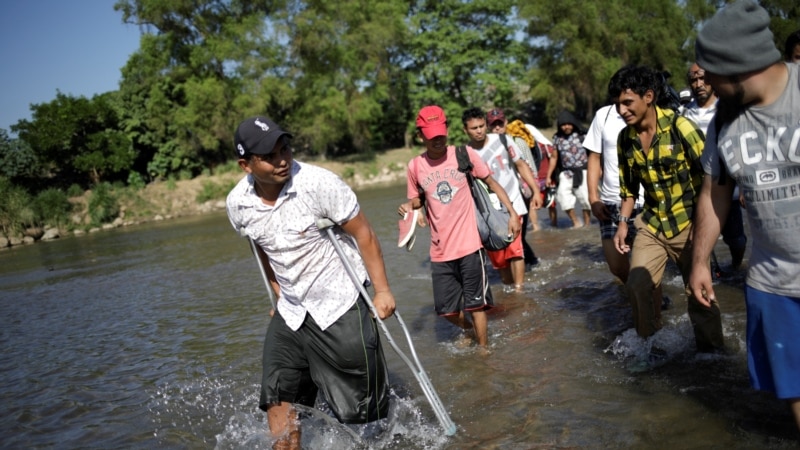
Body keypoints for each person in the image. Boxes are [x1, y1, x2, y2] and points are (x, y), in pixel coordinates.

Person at [226, 116, 397, 448]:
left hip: (339, 300)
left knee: (364, 411)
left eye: (285, 148)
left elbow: (364, 234)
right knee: (276, 397)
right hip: (292, 310)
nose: (283, 159)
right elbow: (262, 246)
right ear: (246, 165)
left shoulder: (318, 184)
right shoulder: (238, 204)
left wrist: (383, 290)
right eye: (270, 155)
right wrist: (278, 295)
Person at [689, 0, 800, 429]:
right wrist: (699, 261)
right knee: (794, 391)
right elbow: (714, 194)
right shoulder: (724, 122)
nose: (706, 82)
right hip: (772, 284)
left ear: (738, 64)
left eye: (711, 72)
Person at [609, 65, 724, 354]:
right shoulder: (626, 140)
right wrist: (623, 224)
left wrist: (706, 224)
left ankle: (712, 355)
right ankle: (649, 347)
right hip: (652, 225)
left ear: (648, 97)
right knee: (637, 284)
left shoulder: (679, 126)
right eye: (617, 104)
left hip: (690, 223)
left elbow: (713, 174)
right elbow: (629, 189)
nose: (621, 110)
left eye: (627, 102)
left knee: (698, 293)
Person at [398, 105, 519, 348]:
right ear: (421, 135)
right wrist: (410, 209)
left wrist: (513, 213)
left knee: (477, 305)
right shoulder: (415, 166)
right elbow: (416, 199)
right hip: (440, 250)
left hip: (470, 245)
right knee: (446, 310)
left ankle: (484, 352)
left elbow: (492, 182)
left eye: (441, 134)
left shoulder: (463, 155)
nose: (438, 140)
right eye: (432, 137)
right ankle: (471, 330)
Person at [462, 107, 540, 292]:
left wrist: (536, 191)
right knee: (499, 258)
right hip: (488, 211)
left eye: (482, 126)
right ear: (465, 130)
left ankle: (519, 291)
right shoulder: (464, 153)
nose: (479, 130)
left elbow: (521, 165)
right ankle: (508, 287)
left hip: (513, 202)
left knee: (515, 251)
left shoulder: (504, 141)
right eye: (474, 128)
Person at [682, 63, 747, 269]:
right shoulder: (683, 114)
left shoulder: (728, 110)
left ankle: (736, 266)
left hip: (728, 188)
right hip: (695, 189)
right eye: (693, 80)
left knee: (736, 240)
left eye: (702, 78)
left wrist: (745, 185)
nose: (699, 84)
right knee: (696, 237)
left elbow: (741, 147)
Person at [488, 109, 542, 267]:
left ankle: (528, 266)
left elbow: (529, 167)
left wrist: (535, 192)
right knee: (509, 236)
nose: (497, 128)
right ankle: (527, 264)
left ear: (505, 123)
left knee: (518, 235)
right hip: (497, 199)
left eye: (500, 123)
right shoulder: (484, 146)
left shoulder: (515, 142)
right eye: (493, 125)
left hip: (520, 194)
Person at [548, 111, 591, 228]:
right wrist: (548, 176)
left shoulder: (584, 135)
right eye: (563, 124)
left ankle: (587, 225)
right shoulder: (557, 138)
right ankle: (576, 222)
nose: (566, 127)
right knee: (562, 197)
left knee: (586, 200)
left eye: (568, 124)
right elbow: (554, 157)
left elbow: (594, 154)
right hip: (566, 173)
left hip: (583, 171)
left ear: (573, 123)